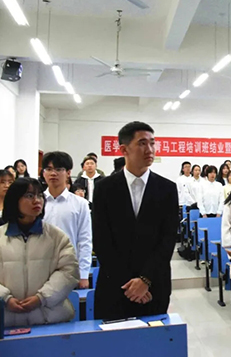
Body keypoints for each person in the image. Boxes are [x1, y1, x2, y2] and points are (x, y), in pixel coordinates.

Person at [92, 121, 179, 320]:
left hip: (154, 285)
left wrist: (145, 280)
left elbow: (167, 240)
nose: (150, 149)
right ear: (124, 149)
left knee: (153, 337)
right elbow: (102, 239)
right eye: (142, 143)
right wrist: (130, 284)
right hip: (115, 285)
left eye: (152, 143)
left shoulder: (167, 189)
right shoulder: (105, 188)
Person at [0, 178, 79, 328]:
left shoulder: (57, 237)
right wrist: (5, 299)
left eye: (40, 195)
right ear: (14, 200)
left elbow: (69, 272)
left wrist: (41, 297)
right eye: (29, 196)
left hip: (49, 319)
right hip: (5, 321)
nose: (37, 200)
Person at [42, 151, 93, 290]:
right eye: (49, 169)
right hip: (40, 268)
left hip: (69, 268)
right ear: (43, 173)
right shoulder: (37, 203)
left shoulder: (80, 204)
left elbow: (84, 240)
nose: (53, 173)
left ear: (68, 173)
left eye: (58, 169)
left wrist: (83, 274)